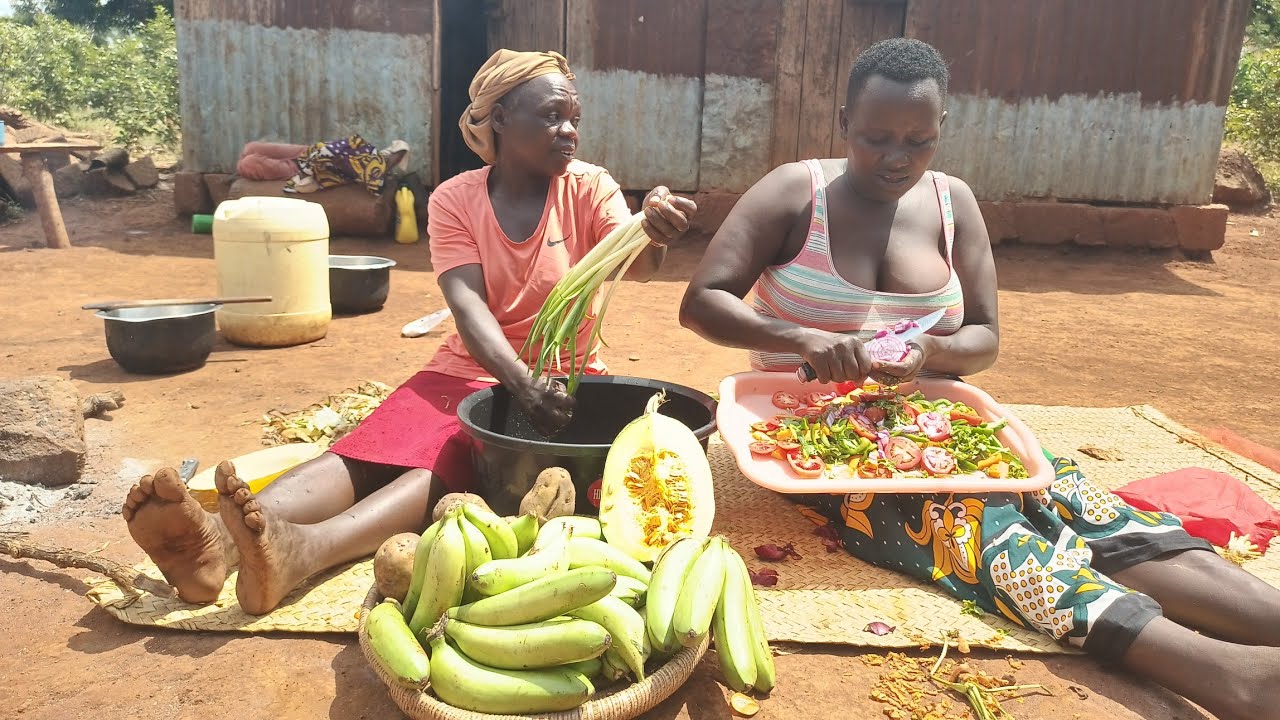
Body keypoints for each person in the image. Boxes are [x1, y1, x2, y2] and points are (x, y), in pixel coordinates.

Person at [679, 38, 1279, 720]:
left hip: (940, 421)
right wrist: (805, 337)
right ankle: (1229, 678)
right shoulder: (795, 192)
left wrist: (928, 355)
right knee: (978, 531)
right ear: (844, 121)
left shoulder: (952, 203)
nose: (896, 158)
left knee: (1083, 508)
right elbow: (702, 302)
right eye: (876, 137)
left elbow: (984, 337)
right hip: (809, 443)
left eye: (919, 141)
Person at [122, 49, 696, 616]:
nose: (568, 130)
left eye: (573, 117)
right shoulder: (455, 199)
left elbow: (638, 264)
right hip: (473, 368)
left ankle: (303, 552)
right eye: (550, 116)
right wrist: (520, 383)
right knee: (370, 448)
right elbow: (468, 307)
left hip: (561, 381)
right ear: (499, 118)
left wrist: (656, 231)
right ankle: (216, 546)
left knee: (449, 460)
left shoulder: (589, 188)